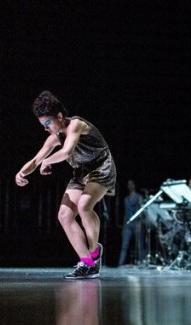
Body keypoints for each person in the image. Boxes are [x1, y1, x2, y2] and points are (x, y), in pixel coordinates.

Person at [15, 90, 116, 279]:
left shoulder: (76, 124)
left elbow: (67, 152)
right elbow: (36, 160)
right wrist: (21, 172)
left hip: (101, 167)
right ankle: (87, 263)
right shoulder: (54, 138)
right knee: (64, 215)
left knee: (85, 205)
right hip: (81, 173)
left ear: (60, 116)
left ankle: (95, 253)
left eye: (48, 123)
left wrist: (48, 161)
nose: (45, 128)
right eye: (42, 125)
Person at [118, 179, 145, 266]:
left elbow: (142, 210)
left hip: (137, 223)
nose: (129, 186)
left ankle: (142, 262)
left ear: (134, 185)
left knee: (139, 245)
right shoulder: (126, 199)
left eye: (131, 184)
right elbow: (125, 214)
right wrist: (123, 226)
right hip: (128, 224)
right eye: (128, 184)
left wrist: (140, 223)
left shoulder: (139, 197)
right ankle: (120, 263)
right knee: (124, 245)